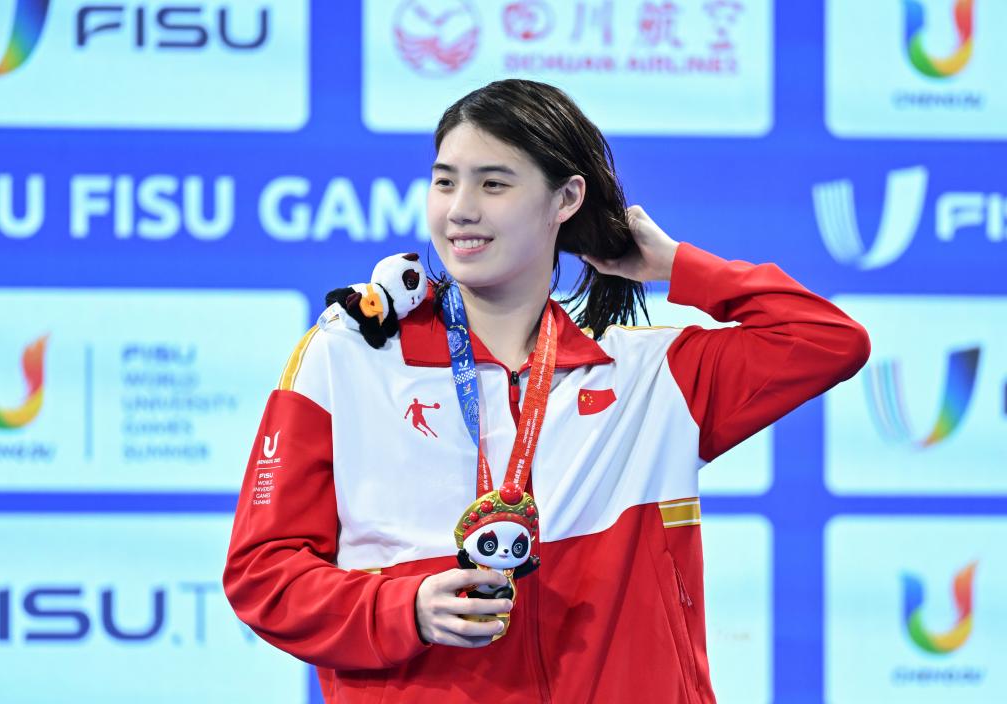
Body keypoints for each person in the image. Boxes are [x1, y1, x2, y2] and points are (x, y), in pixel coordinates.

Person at [223, 79, 870, 703]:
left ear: (566, 199)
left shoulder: (647, 376)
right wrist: (404, 608)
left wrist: (674, 265)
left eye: (493, 183)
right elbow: (262, 575)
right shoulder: (349, 357)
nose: (460, 209)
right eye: (444, 181)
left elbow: (829, 340)